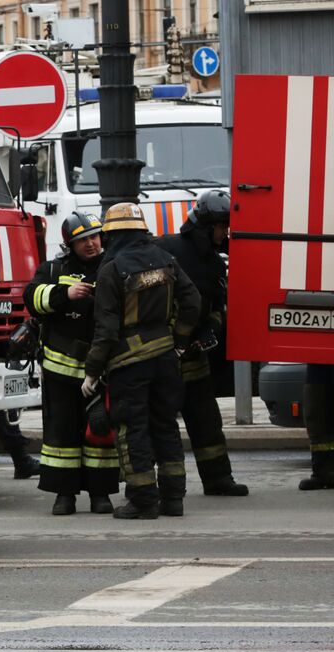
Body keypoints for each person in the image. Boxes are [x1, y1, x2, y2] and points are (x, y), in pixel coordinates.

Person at [84, 202, 202, 520]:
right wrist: (179, 341)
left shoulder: (112, 269)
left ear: (113, 235)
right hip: (166, 360)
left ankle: (143, 500)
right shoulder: (166, 260)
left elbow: (106, 329)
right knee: (165, 425)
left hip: (129, 363)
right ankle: (174, 498)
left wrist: (92, 371)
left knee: (132, 430)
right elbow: (192, 302)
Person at [23, 211, 117, 515]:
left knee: (99, 433)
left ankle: (100, 494)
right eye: (82, 240)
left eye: (94, 236)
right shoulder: (54, 269)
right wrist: (66, 293)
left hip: (101, 370)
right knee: (61, 436)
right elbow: (31, 297)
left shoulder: (112, 266)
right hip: (60, 371)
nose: (90, 244)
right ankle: (64, 495)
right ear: (70, 244)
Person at [156, 189, 249, 496]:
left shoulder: (214, 263)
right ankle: (154, 485)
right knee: (158, 423)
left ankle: (218, 479)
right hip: (163, 357)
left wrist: (212, 327)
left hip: (194, 357)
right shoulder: (166, 249)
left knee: (207, 421)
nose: (226, 232)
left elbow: (215, 307)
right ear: (206, 226)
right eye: (222, 226)